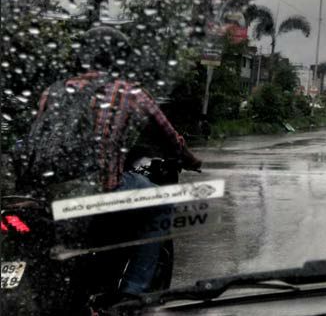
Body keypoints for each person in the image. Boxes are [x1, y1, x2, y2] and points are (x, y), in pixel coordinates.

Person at [20, 25, 202, 298]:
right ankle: (133, 292)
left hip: (48, 192)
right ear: (119, 59)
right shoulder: (130, 93)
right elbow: (169, 137)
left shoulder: (53, 91)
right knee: (162, 203)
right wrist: (191, 160)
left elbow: (38, 138)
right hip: (101, 191)